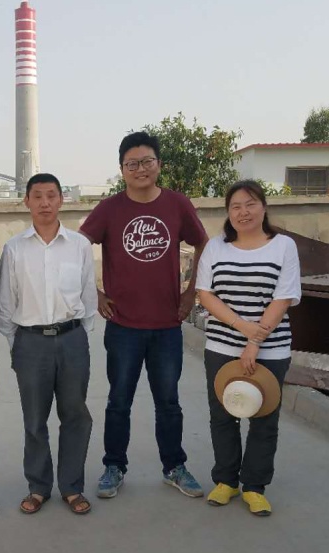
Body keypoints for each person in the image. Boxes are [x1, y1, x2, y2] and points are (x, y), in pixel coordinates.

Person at [79, 131, 209, 499]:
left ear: (159, 165)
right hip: (123, 326)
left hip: (167, 325)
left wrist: (191, 291)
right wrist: (94, 292)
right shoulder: (109, 209)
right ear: (122, 169)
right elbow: (78, 246)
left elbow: (202, 242)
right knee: (119, 401)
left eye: (147, 161)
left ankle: (174, 467)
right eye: (132, 163)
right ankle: (113, 467)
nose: (140, 169)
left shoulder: (177, 204)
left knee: (168, 402)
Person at [195, 179, 301, 516]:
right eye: (236, 206)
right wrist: (243, 329)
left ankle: (254, 486)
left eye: (250, 204)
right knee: (223, 414)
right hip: (222, 346)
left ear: (264, 207)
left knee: (264, 417)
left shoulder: (283, 246)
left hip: (272, 350)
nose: (244, 212)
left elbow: (283, 297)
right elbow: (205, 294)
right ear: (228, 212)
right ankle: (226, 481)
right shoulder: (216, 248)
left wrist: (255, 342)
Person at [0, 173, 98, 515]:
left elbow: (88, 295)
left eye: (51, 195)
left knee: (75, 415)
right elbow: (7, 302)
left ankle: (72, 487)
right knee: (34, 419)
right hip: (30, 343)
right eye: (37, 196)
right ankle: (38, 486)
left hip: (72, 340)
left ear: (61, 200)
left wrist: (79, 336)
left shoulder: (79, 245)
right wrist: (17, 344)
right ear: (26, 201)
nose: (45, 203)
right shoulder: (15, 248)